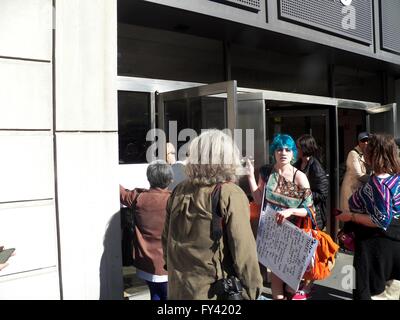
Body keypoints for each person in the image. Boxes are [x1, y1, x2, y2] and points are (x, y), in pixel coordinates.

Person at [162, 129, 263, 300]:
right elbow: (244, 251)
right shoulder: (230, 193)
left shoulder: (179, 190)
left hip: (178, 288)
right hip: (214, 292)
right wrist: (253, 291)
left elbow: (166, 240)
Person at [247, 133, 314, 300]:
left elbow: (310, 210)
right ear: (274, 152)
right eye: (279, 149)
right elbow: (258, 199)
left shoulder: (299, 176)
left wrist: (290, 211)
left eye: (287, 149)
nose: (283, 153)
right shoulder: (267, 172)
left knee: (292, 286)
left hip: (294, 234)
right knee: (276, 280)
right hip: (273, 232)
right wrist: (249, 175)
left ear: (293, 153)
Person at [336, 134, 400, 300]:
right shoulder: (395, 178)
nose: (364, 152)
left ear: (374, 154)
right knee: (391, 291)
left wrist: (351, 217)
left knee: (367, 291)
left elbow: (381, 220)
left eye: (368, 149)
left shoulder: (380, 184)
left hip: (375, 247)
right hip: (393, 243)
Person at [120, 160, 173, 300]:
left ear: (149, 178)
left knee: (155, 294)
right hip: (169, 264)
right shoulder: (175, 200)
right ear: (170, 180)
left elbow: (120, 192)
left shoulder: (138, 198)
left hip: (145, 263)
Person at [294, 134, 329, 230]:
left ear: (304, 148)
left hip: (314, 215)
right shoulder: (298, 164)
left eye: (298, 147)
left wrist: (302, 193)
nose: (296, 150)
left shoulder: (316, 168)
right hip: (300, 212)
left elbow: (323, 194)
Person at [339, 131, 370, 210]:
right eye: (363, 141)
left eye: (368, 140)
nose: (366, 143)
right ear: (359, 142)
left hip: (358, 190)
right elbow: (358, 175)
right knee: (350, 215)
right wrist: (375, 179)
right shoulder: (353, 154)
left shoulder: (365, 153)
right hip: (351, 190)